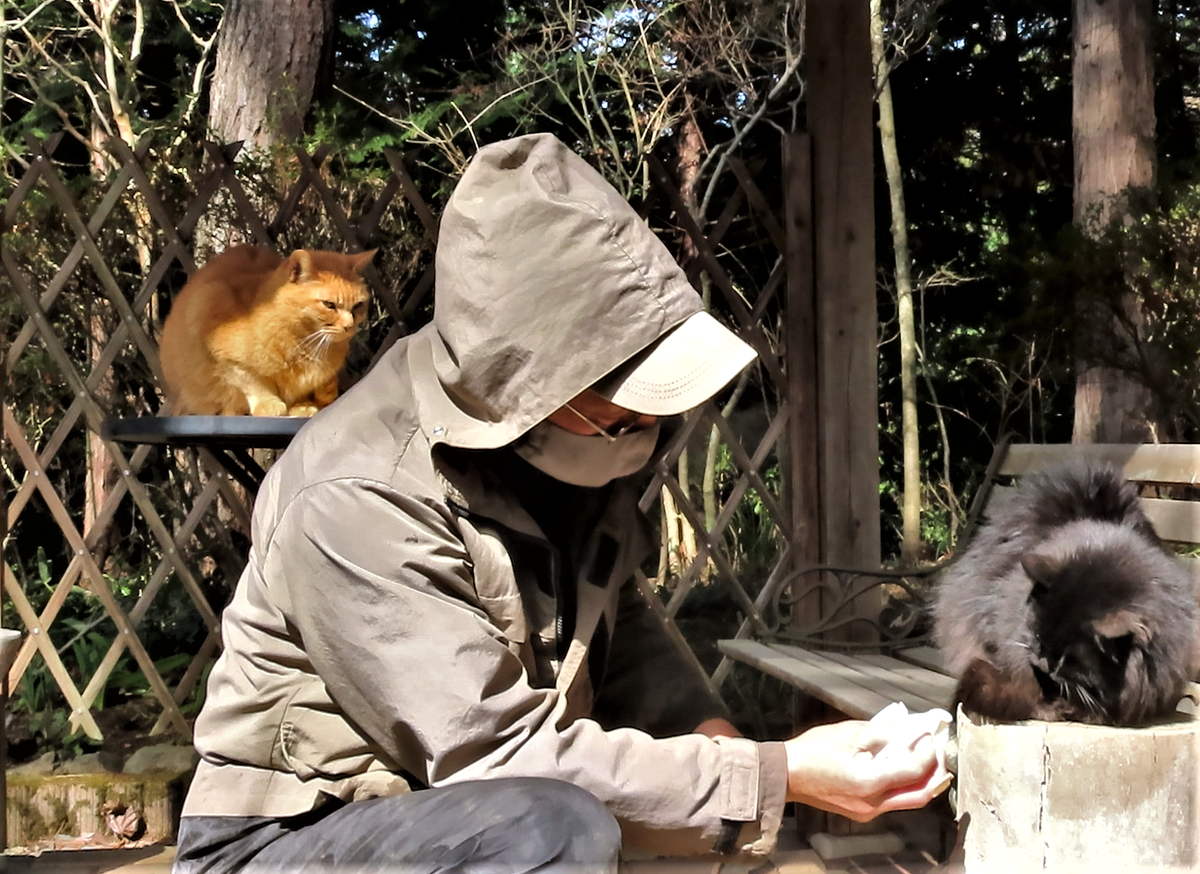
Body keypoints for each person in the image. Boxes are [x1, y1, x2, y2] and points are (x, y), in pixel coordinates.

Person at [173, 133, 949, 873]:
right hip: (289, 839)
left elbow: (624, 630)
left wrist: (726, 748)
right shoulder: (358, 491)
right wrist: (775, 774)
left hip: (458, 817)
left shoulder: (550, 448)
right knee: (553, 829)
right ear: (525, 387)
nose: (644, 432)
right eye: (623, 407)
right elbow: (492, 757)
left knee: (670, 828)